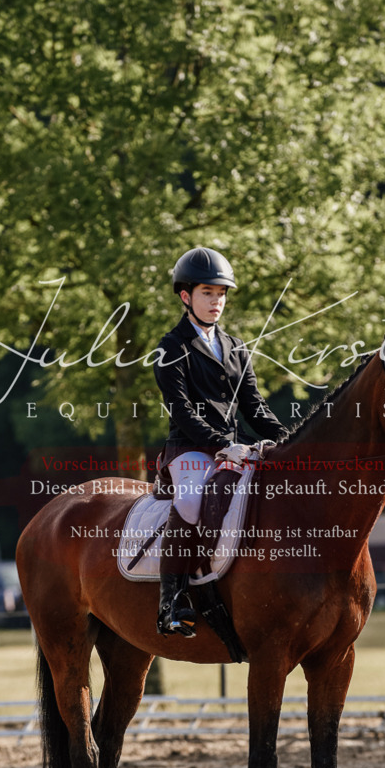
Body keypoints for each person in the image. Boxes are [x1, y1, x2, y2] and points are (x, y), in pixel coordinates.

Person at [153, 247, 288, 636]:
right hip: (190, 449)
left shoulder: (236, 347)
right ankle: (171, 602)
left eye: (221, 294)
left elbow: (255, 407)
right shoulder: (171, 347)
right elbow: (182, 411)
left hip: (237, 447)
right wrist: (220, 445)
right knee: (190, 500)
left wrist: (288, 441)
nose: (217, 301)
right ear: (186, 296)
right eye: (208, 293)